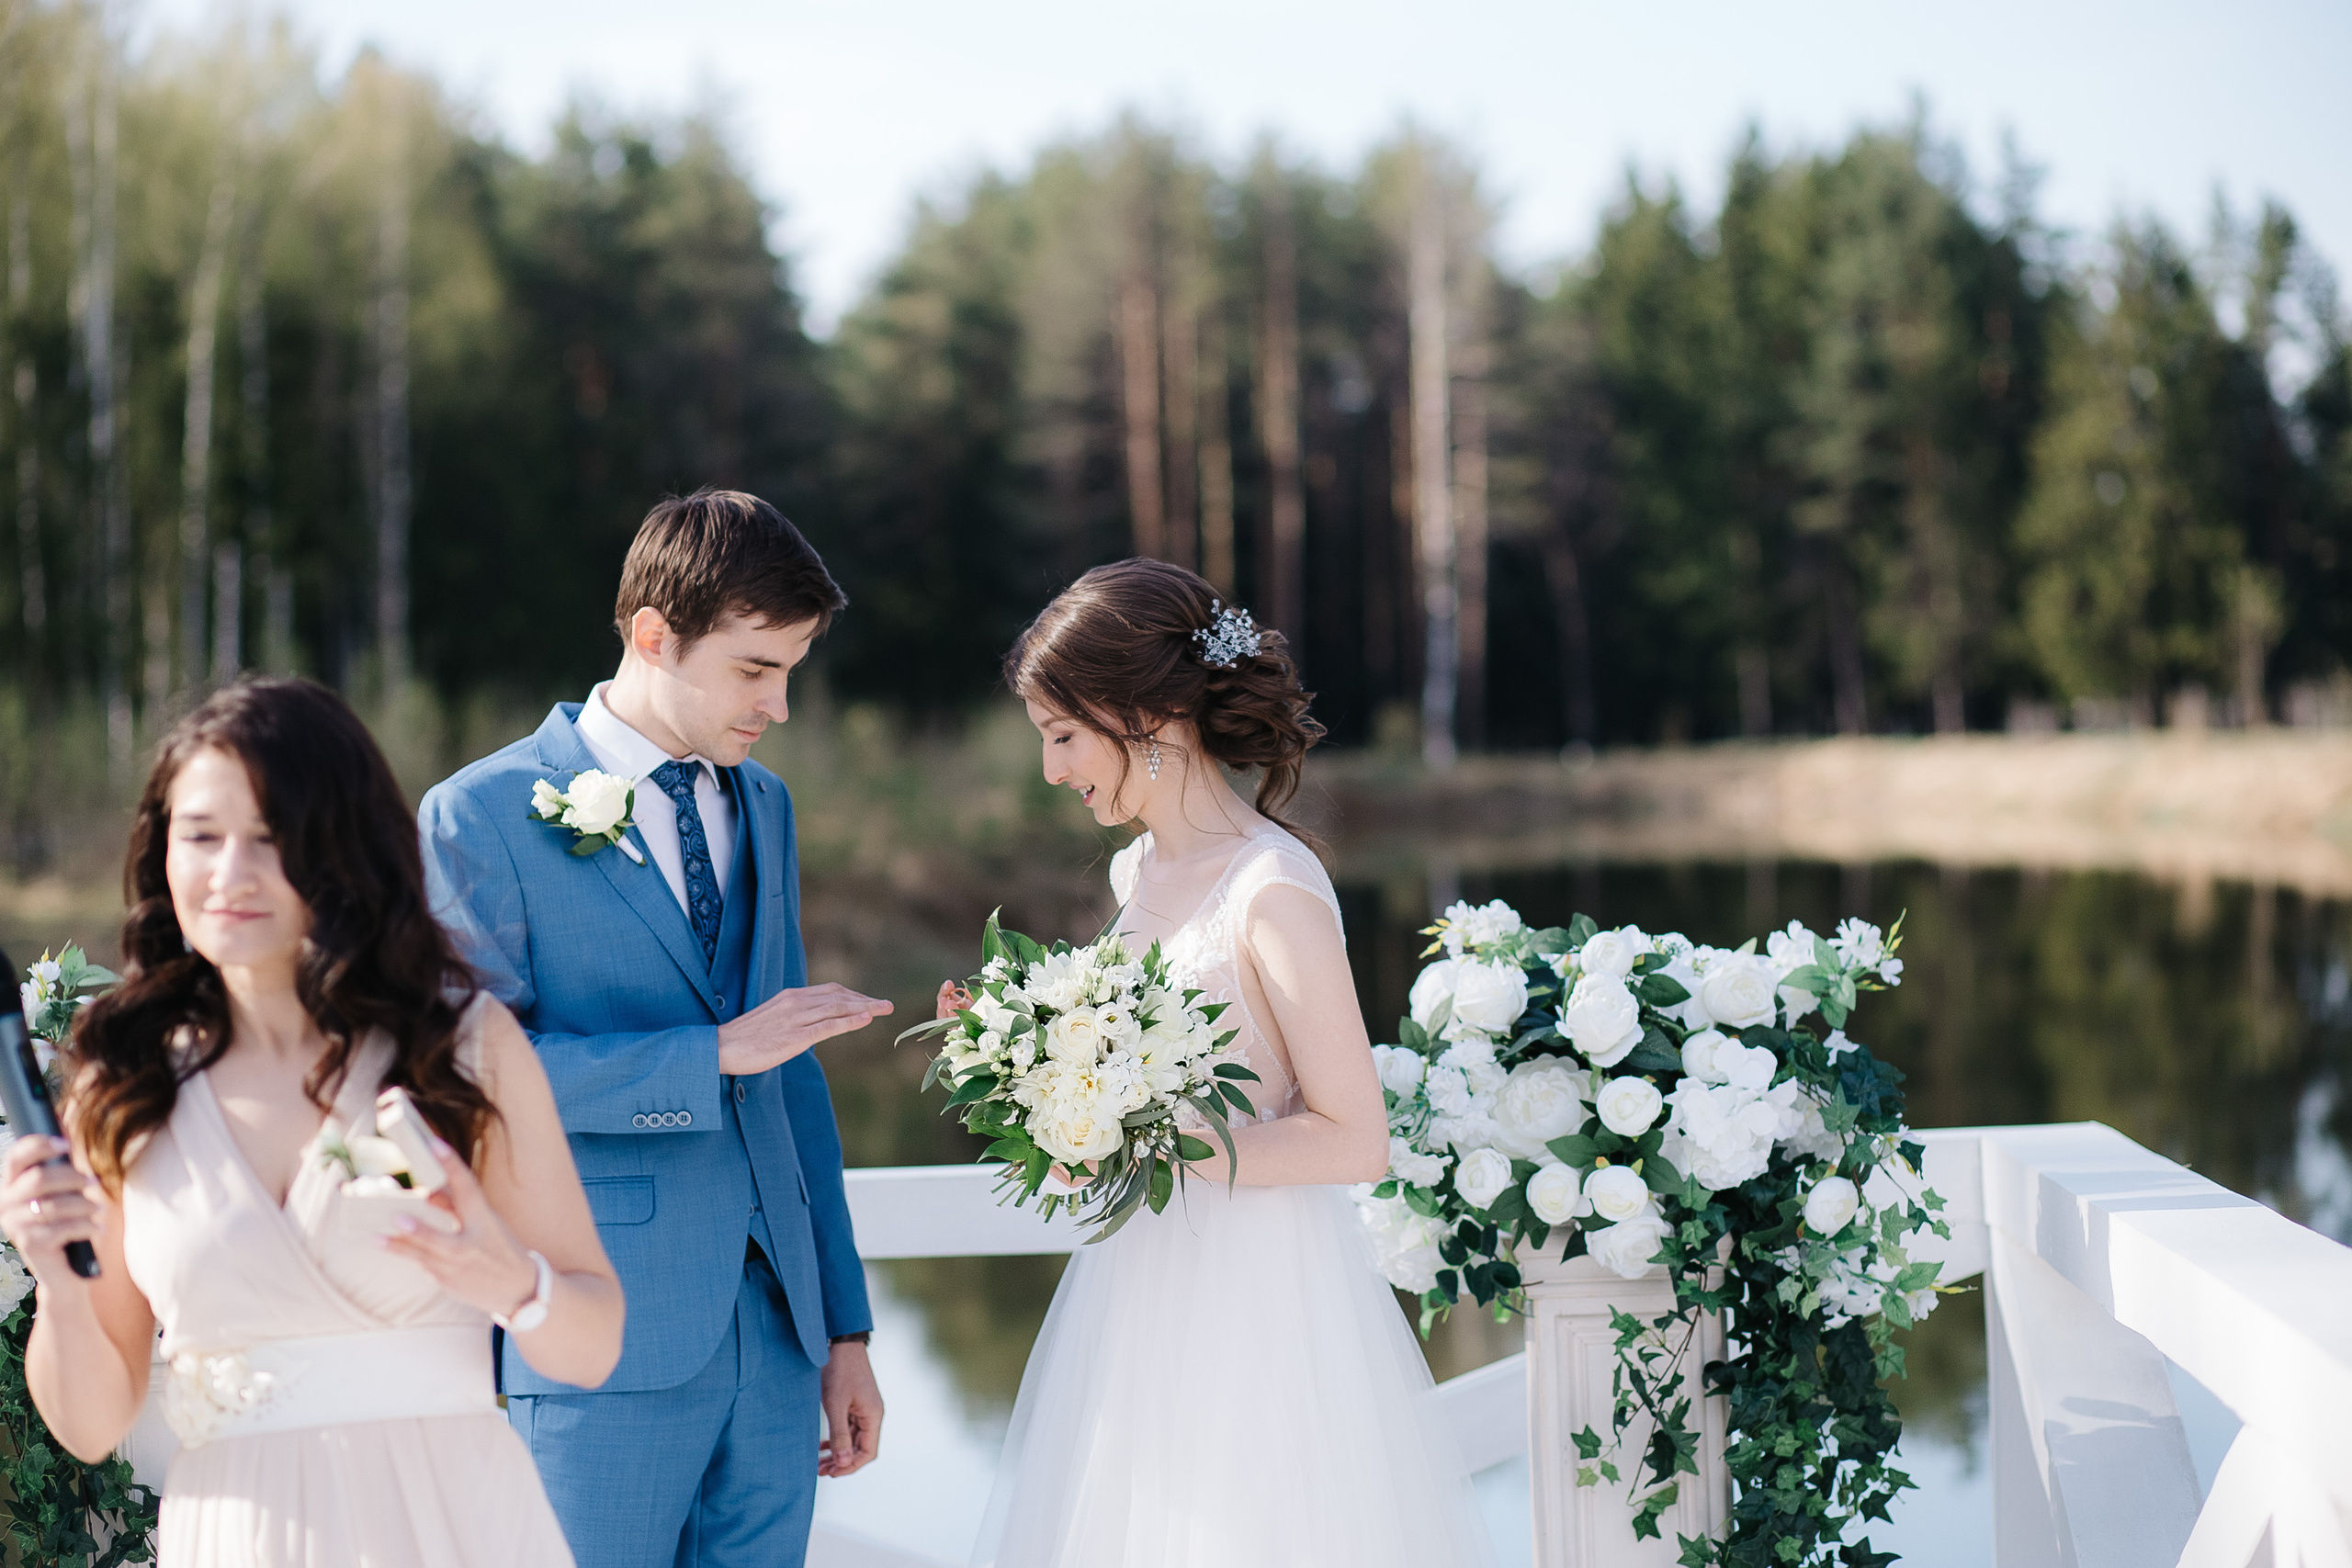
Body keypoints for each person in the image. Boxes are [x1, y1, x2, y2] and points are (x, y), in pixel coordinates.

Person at [0, 677, 623, 1567]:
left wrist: (509, 1279)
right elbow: (93, 1427)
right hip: (237, 1532)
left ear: (340, 853)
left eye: (272, 839)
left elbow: (594, 1347)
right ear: (160, 849)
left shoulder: (461, 1048)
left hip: (454, 1524)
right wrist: (55, 1279)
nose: (229, 876)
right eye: (202, 837)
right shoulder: (124, 1079)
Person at [960, 558, 1498, 1568]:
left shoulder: (1272, 886)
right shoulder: (1141, 868)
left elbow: (1355, 1136)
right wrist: (1044, 1084)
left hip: (1257, 1302)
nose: (1050, 770)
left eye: (1062, 736)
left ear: (1148, 714)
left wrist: (1170, 1140)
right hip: (1139, 1287)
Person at [418, 489, 892, 1568]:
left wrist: (844, 1334)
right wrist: (707, 1056)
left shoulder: (762, 802)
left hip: (776, 1345)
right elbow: (465, 1079)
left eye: (791, 672)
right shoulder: (478, 815)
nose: (775, 704)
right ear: (651, 636)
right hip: (597, 1337)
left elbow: (794, 1084)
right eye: (755, 668)